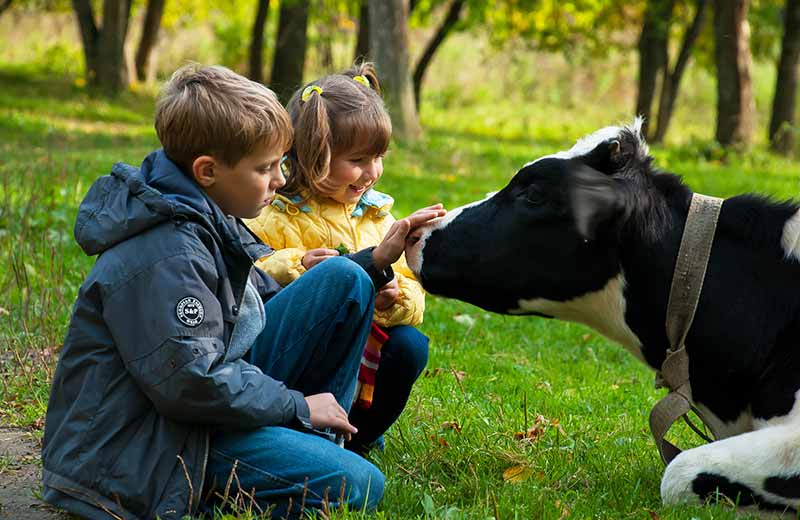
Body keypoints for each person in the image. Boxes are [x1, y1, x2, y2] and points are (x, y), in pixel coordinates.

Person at [41, 64, 445, 520]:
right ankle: (245, 481)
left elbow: (260, 308)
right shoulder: (168, 254)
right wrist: (298, 406)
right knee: (358, 485)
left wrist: (372, 263)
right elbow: (191, 383)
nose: (280, 180)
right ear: (208, 171)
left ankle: (316, 445)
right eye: (265, 168)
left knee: (345, 278)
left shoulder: (207, 216)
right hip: (153, 447)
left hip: (198, 415)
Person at [246, 62, 431, 455]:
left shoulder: (377, 217)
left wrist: (395, 298)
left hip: (364, 360)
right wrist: (297, 267)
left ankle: (361, 435)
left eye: (379, 156)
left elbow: (414, 294)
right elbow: (248, 274)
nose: (372, 172)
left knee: (411, 345)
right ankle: (303, 426)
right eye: (358, 160)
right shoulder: (274, 214)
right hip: (303, 361)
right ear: (313, 154)